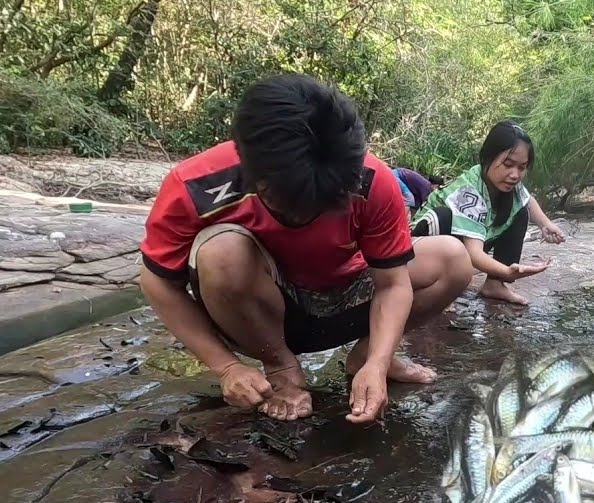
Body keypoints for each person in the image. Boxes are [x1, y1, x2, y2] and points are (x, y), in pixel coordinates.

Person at [138, 74, 474, 424]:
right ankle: (281, 367)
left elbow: (392, 284)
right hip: (262, 311)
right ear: (254, 174)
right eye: (290, 206)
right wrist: (226, 367)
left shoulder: (372, 179)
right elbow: (157, 282)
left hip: (345, 293)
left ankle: (366, 357)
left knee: (453, 258)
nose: (305, 218)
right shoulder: (197, 185)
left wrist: (378, 360)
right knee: (221, 252)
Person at [411, 121, 566, 306]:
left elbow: (527, 201)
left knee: (519, 213)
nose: (515, 174)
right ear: (487, 158)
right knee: (443, 216)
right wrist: (507, 270)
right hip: (420, 250)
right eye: (508, 164)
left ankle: (495, 284)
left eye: (522, 167)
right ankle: (435, 286)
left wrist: (545, 224)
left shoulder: (509, 185)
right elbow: (474, 253)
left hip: (461, 248)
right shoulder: (468, 191)